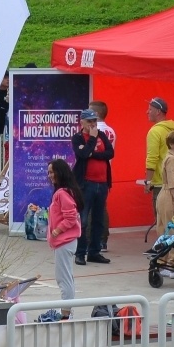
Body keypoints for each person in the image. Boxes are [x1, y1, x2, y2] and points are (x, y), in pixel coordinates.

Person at [70, 109, 114, 266]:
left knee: (99, 220)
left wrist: (92, 153)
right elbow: (82, 155)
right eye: (89, 121)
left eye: (94, 121)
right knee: (83, 220)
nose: (93, 124)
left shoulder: (101, 135)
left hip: (102, 184)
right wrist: (92, 141)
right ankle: (80, 253)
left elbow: (110, 153)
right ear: (81, 122)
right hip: (85, 184)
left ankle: (94, 252)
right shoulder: (77, 138)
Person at [47, 159, 84, 310]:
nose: (49, 175)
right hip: (63, 242)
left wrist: (57, 230)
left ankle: (66, 313)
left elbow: (71, 217)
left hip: (64, 241)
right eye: (48, 172)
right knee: (65, 277)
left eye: (51, 172)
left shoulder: (63, 193)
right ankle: (67, 311)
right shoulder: (64, 192)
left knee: (64, 279)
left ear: (59, 173)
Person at [144, 97, 174, 221]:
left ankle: (164, 241)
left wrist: (148, 182)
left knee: (162, 221)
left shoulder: (155, 131)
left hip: (162, 183)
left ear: (158, 112)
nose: (147, 112)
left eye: (150, 109)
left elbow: (152, 158)